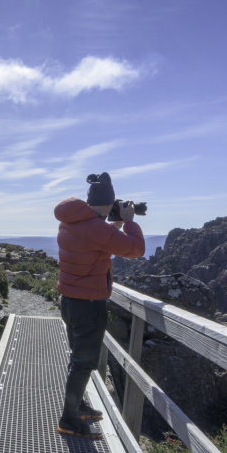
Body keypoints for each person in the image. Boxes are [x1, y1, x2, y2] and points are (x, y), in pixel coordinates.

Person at [54, 172, 145, 438]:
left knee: (77, 360)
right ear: (108, 203)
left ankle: (78, 406)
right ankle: (69, 420)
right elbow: (135, 249)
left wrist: (113, 223)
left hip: (69, 303)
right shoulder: (95, 228)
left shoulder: (71, 222)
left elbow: (98, 239)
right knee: (83, 363)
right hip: (88, 305)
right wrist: (129, 222)